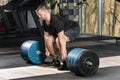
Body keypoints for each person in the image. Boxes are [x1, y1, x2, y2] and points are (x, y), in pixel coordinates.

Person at [36, 4, 80, 70]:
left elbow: (61, 39)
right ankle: (55, 61)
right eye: (38, 15)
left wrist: (63, 56)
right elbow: (46, 35)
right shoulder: (44, 22)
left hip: (73, 28)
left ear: (45, 12)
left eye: (40, 14)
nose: (39, 17)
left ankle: (65, 62)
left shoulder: (56, 21)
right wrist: (46, 49)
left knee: (58, 40)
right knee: (49, 40)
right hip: (62, 30)